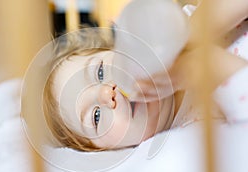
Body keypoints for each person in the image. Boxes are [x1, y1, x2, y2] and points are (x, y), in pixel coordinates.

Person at [43, 0, 248, 151]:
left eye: (100, 71)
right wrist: (194, 68)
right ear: (111, 149)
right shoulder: (191, 135)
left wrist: (192, 32)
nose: (108, 92)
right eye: (96, 116)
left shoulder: (178, 29)